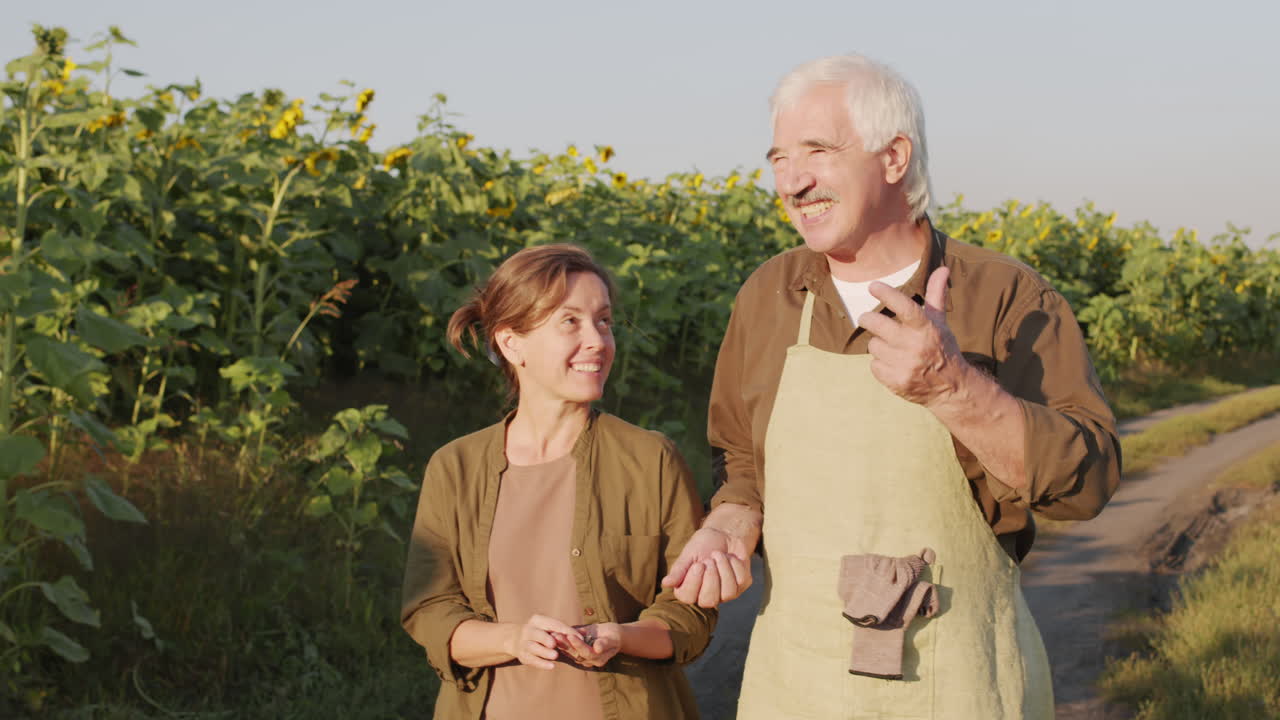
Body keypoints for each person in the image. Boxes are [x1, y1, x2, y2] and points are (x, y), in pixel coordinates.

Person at [661, 55, 1121, 718]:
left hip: (958, 684)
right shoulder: (769, 296)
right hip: (796, 686)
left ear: (895, 156)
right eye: (778, 158)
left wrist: (954, 388)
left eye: (816, 150)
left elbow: (1088, 485)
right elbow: (740, 465)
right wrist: (729, 523)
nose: (791, 181)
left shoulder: (1006, 297)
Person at [400, 244, 716, 720]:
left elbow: (691, 614)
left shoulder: (651, 460)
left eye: (604, 321)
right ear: (512, 343)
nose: (598, 340)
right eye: (570, 322)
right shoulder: (454, 468)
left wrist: (620, 636)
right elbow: (429, 610)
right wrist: (513, 638)